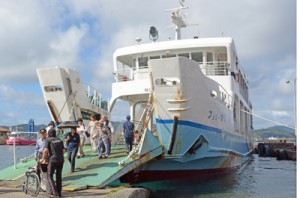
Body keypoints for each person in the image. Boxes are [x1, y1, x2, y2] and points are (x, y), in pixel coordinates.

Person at [40, 128, 65, 198]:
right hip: (61, 160)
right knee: (58, 176)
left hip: (53, 160)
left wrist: (43, 159)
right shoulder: (60, 140)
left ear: (49, 134)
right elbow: (63, 150)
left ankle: (54, 193)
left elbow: (45, 150)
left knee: (49, 176)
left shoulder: (48, 140)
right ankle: (59, 193)